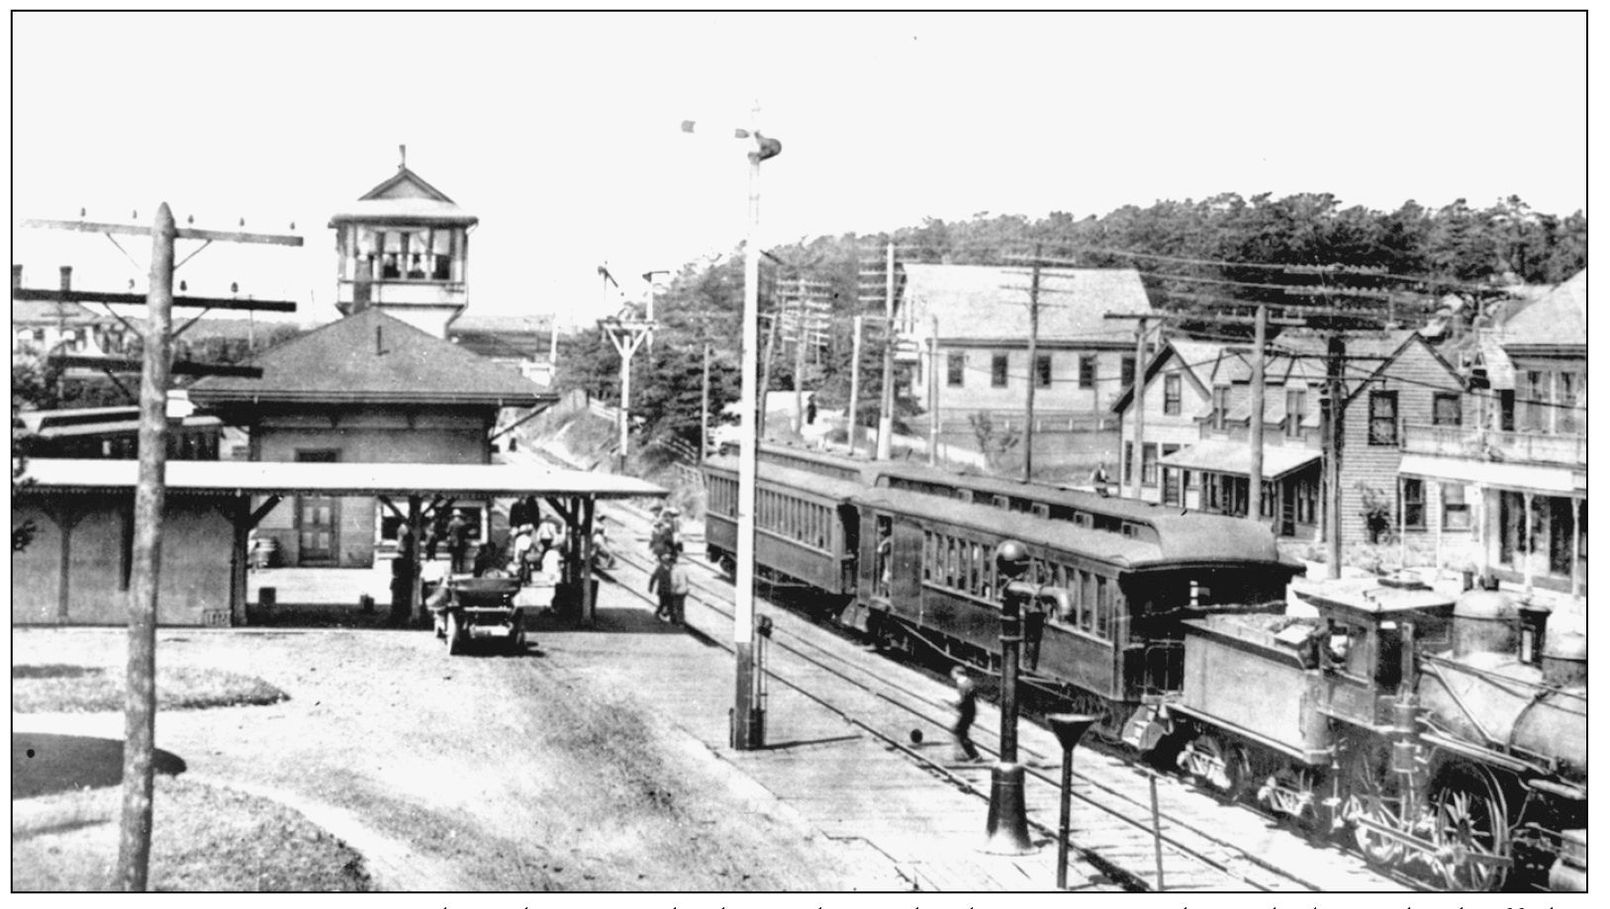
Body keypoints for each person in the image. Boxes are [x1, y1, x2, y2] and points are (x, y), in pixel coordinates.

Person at [948, 665, 981, 762]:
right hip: (969, 711)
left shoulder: (963, 683)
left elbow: (965, 699)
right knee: (960, 732)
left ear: (957, 673)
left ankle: (974, 755)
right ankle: (964, 754)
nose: (951, 675)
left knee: (959, 731)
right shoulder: (968, 682)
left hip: (967, 712)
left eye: (953, 673)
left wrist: (956, 704)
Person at [445, 509, 471, 575]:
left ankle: (453, 570)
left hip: (453, 542)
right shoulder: (463, 523)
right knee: (461, 557)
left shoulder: (451, 523)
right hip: (461, 542)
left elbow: (447, 531)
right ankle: (461, 570)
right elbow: (466, 534)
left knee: (454, 557)